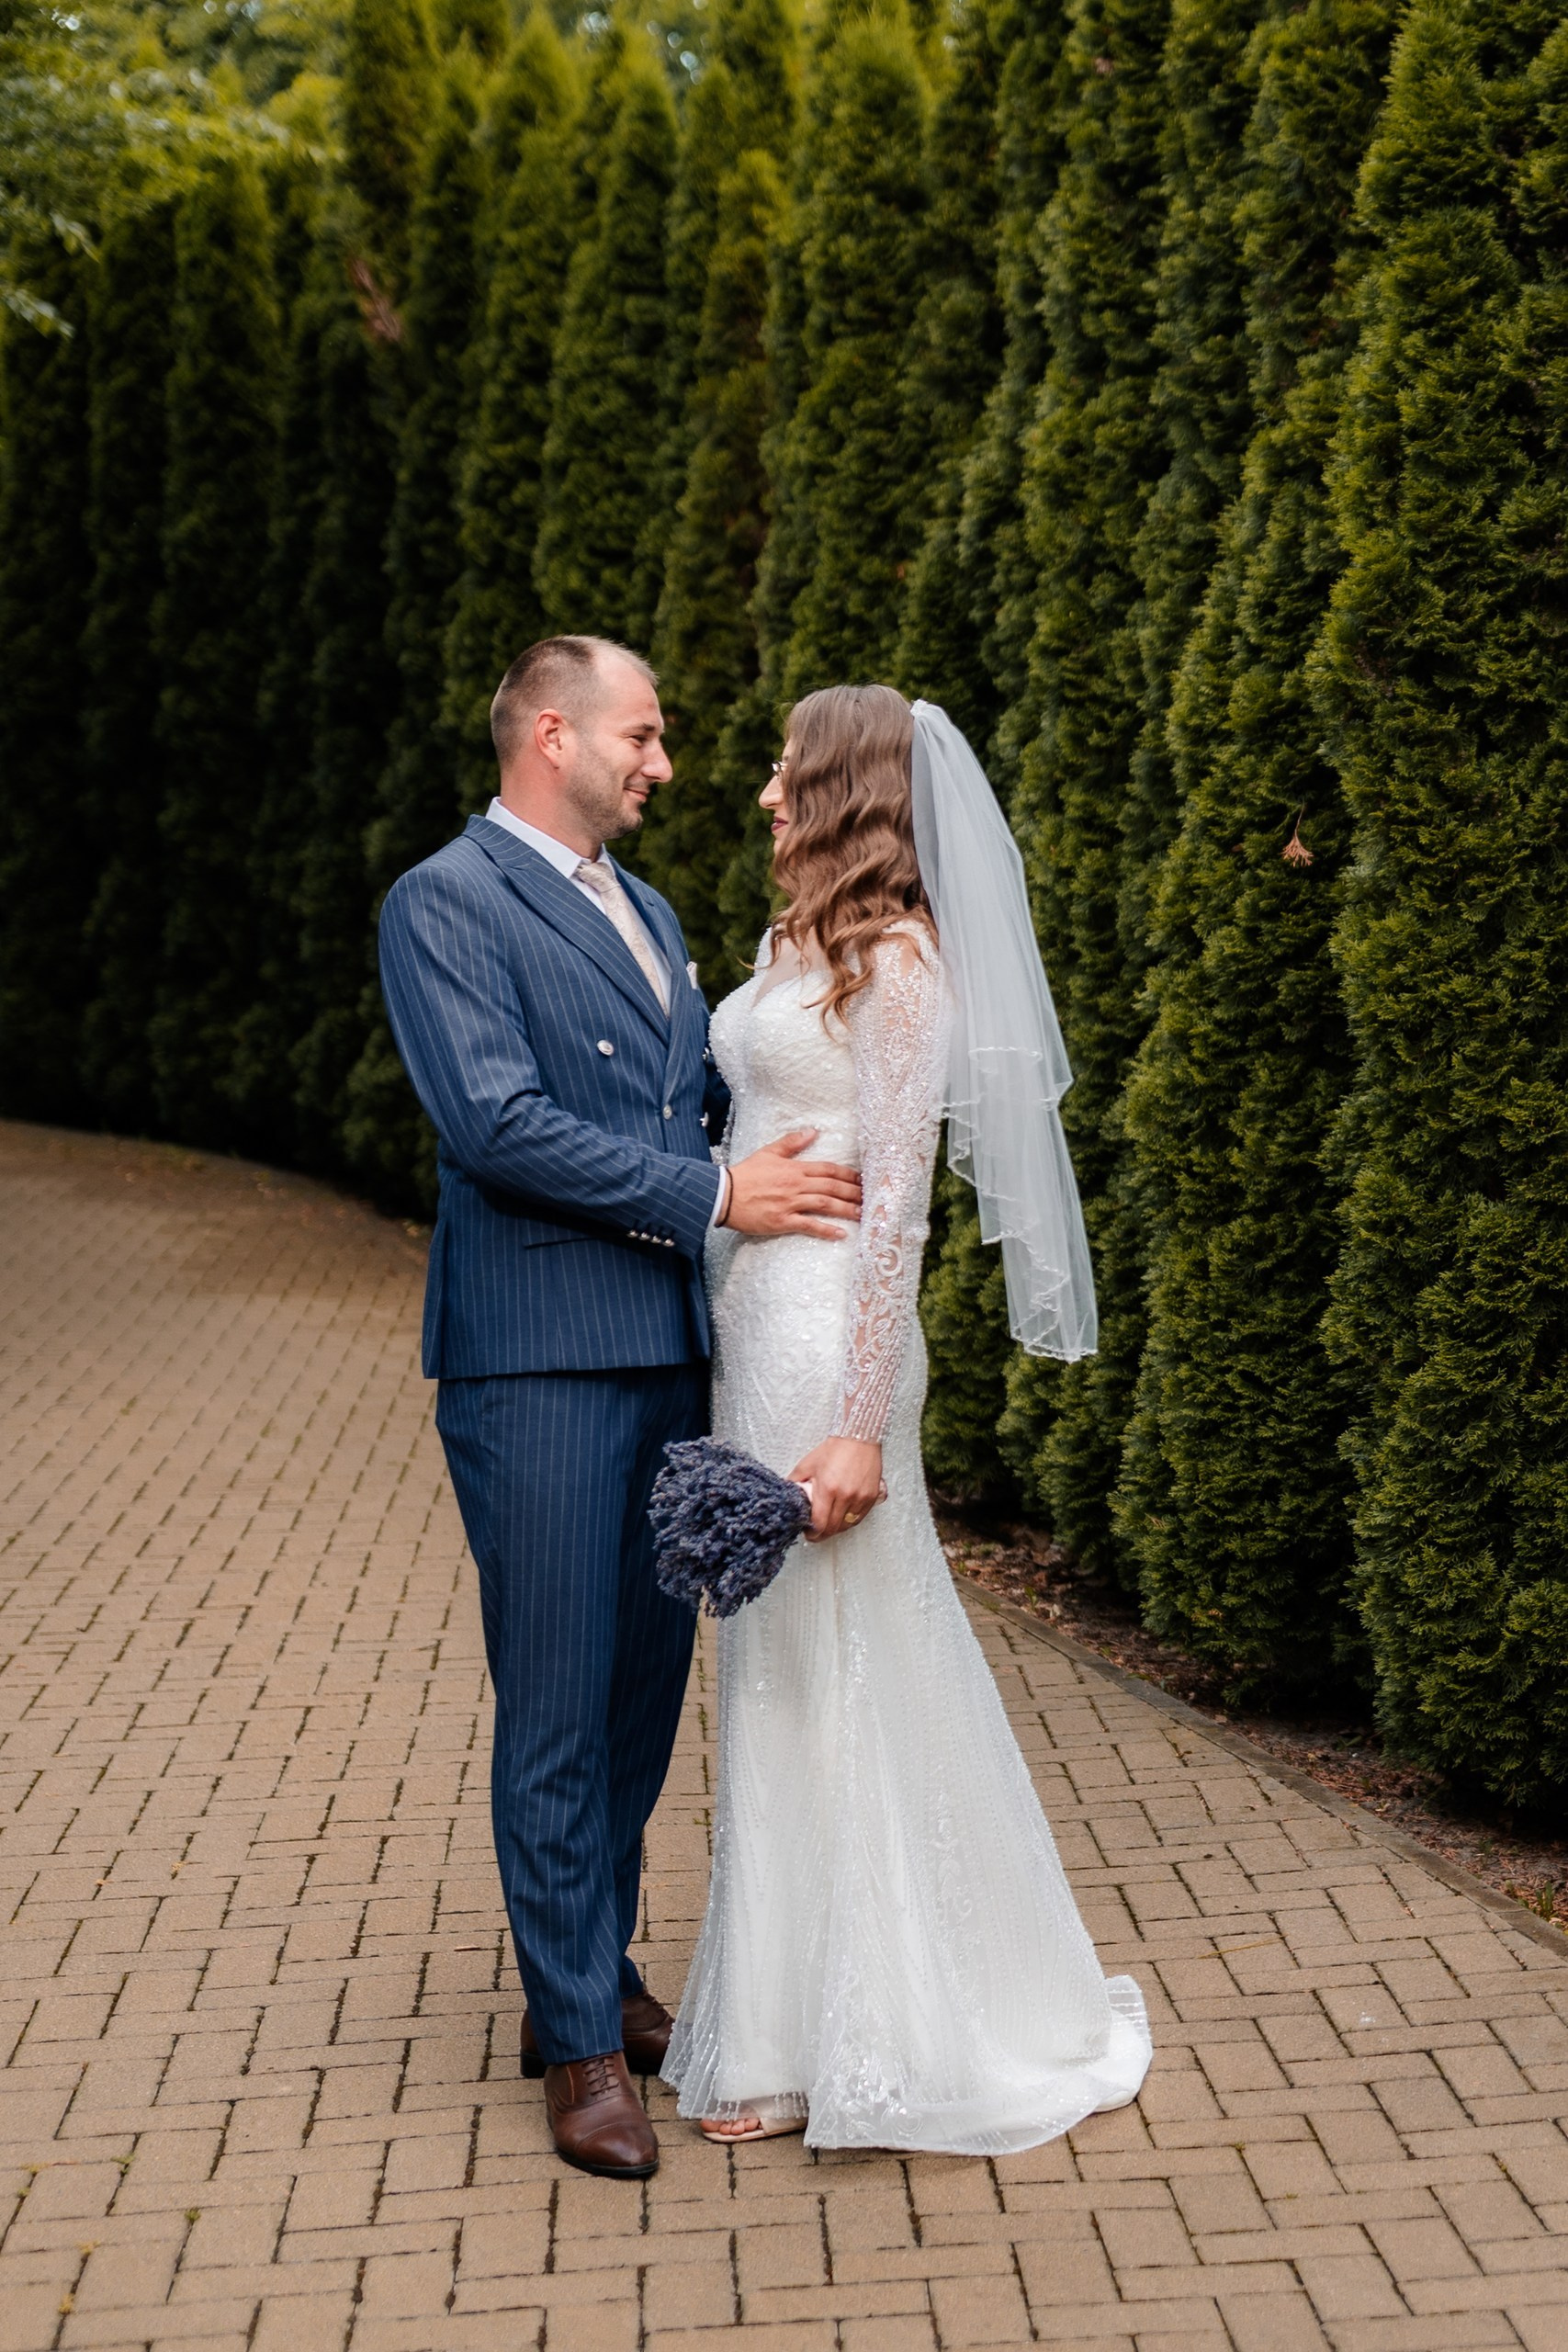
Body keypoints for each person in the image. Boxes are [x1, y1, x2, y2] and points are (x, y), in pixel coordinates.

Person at [377, 636, 863, 2181]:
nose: (663, 764)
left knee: (645, 1691)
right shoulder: (444, 900)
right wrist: (716, 1194)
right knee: (558, 1697)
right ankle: (580, 2043)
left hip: (671, 1350)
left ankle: (586, 1973)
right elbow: (496, 1125)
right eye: (641, 736)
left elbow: (689, 1102)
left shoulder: (646, 910)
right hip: (536, 1358)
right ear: (551, 732)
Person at [662, 684, 1154, 2152]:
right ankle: (777, 2024)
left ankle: (875, 2029)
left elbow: (897, 1218)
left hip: (834, 1345)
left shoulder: (904, 963)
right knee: (775, 1678)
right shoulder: (791, 945)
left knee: (848, 1662)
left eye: (785, 771)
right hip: (754, 1331)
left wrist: (864, 1420)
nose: (764, 793)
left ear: (845, 790)